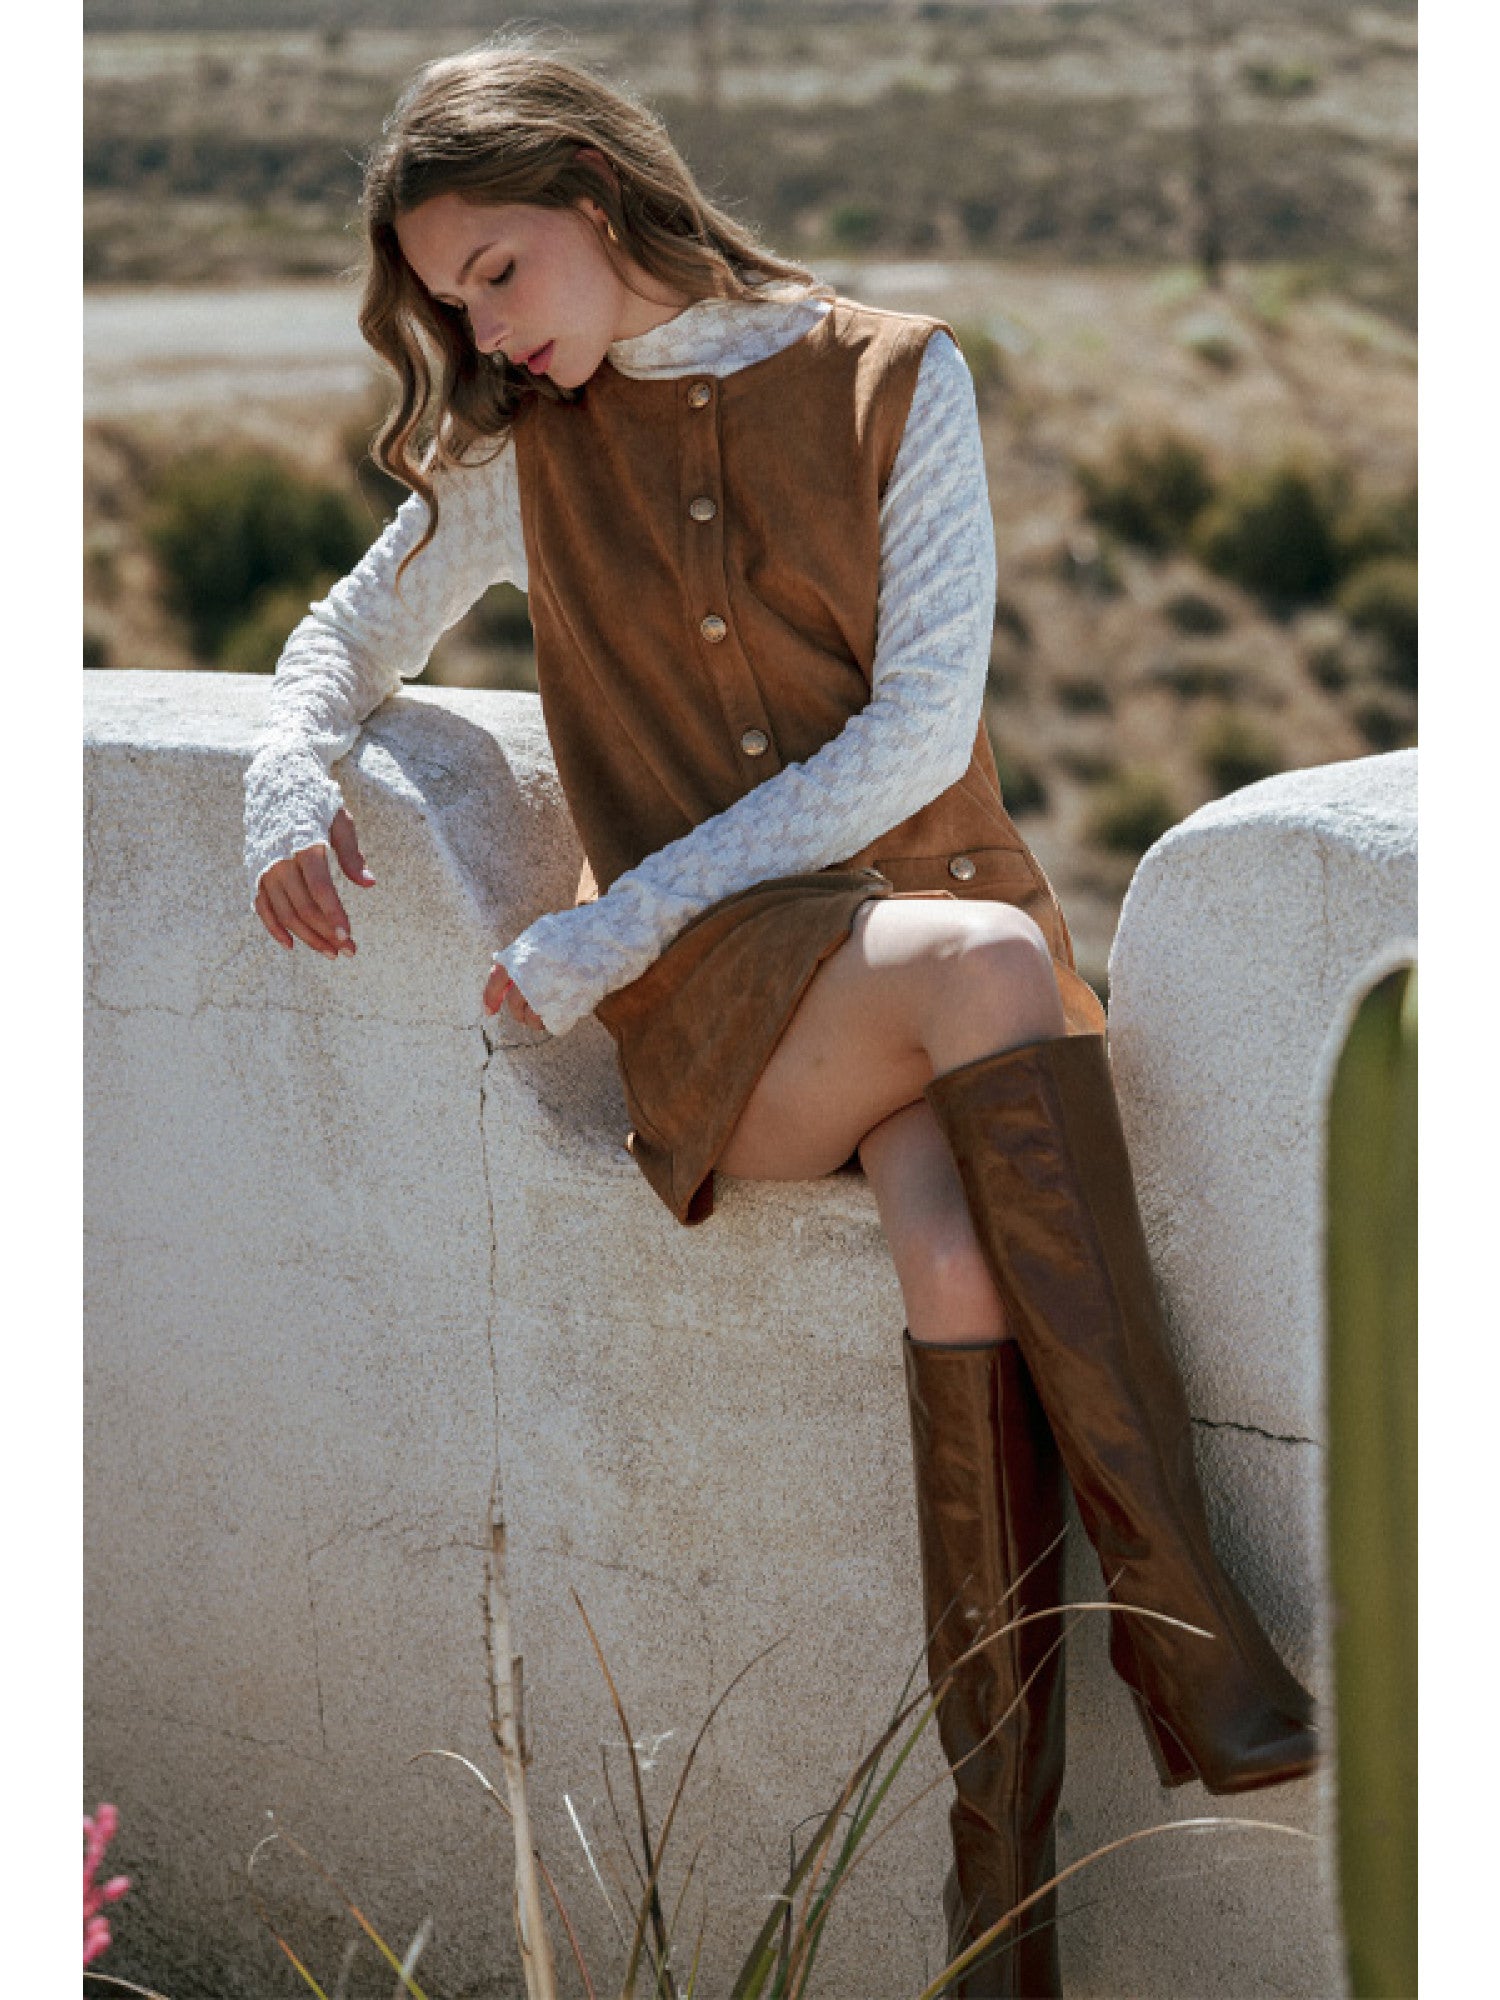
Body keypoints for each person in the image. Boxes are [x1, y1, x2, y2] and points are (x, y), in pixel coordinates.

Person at [243, 36, 1316, 1999]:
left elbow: (921, 731)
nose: (480, 330)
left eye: (496, 272)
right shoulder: (521, 454)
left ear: (588, 186)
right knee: (996, 966)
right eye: (445, 303)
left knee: (953, 1255)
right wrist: (285, 783)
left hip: (909, 960)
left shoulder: (901, 377)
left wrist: (618, 905)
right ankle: (1194, 1629)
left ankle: (998, 1933)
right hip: (748, 1003)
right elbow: (340, 638)